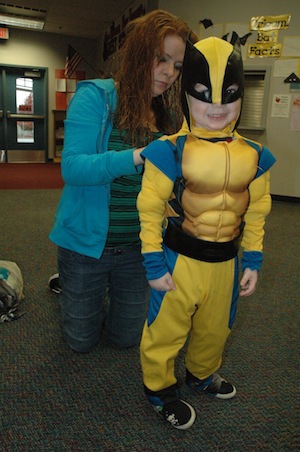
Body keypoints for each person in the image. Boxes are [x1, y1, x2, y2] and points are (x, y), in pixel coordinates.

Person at [137, 35, 276, 430]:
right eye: (203, 94)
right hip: (179, 261)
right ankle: (159, 390)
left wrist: (252, 259)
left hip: (226, 263)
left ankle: (200, 375)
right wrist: (151, 262)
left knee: (216, 329)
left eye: (229, 95)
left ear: (240, 96)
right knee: (165, 331)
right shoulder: (170, 150)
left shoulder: (255, 155)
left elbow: (258, 210)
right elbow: (148, 209)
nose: (217, 106)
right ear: (186, 95)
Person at [49, 10, 198, 353]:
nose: (169, 73)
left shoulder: (169, 116)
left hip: (139, 246)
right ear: (139, 53)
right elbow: (72, 168)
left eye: (176, 65)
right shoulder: (97, 97)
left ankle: (86, 291)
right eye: (161, 59)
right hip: (86, 246)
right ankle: (68, 284)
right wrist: (137, 156)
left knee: (126, 340)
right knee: (80, 342)